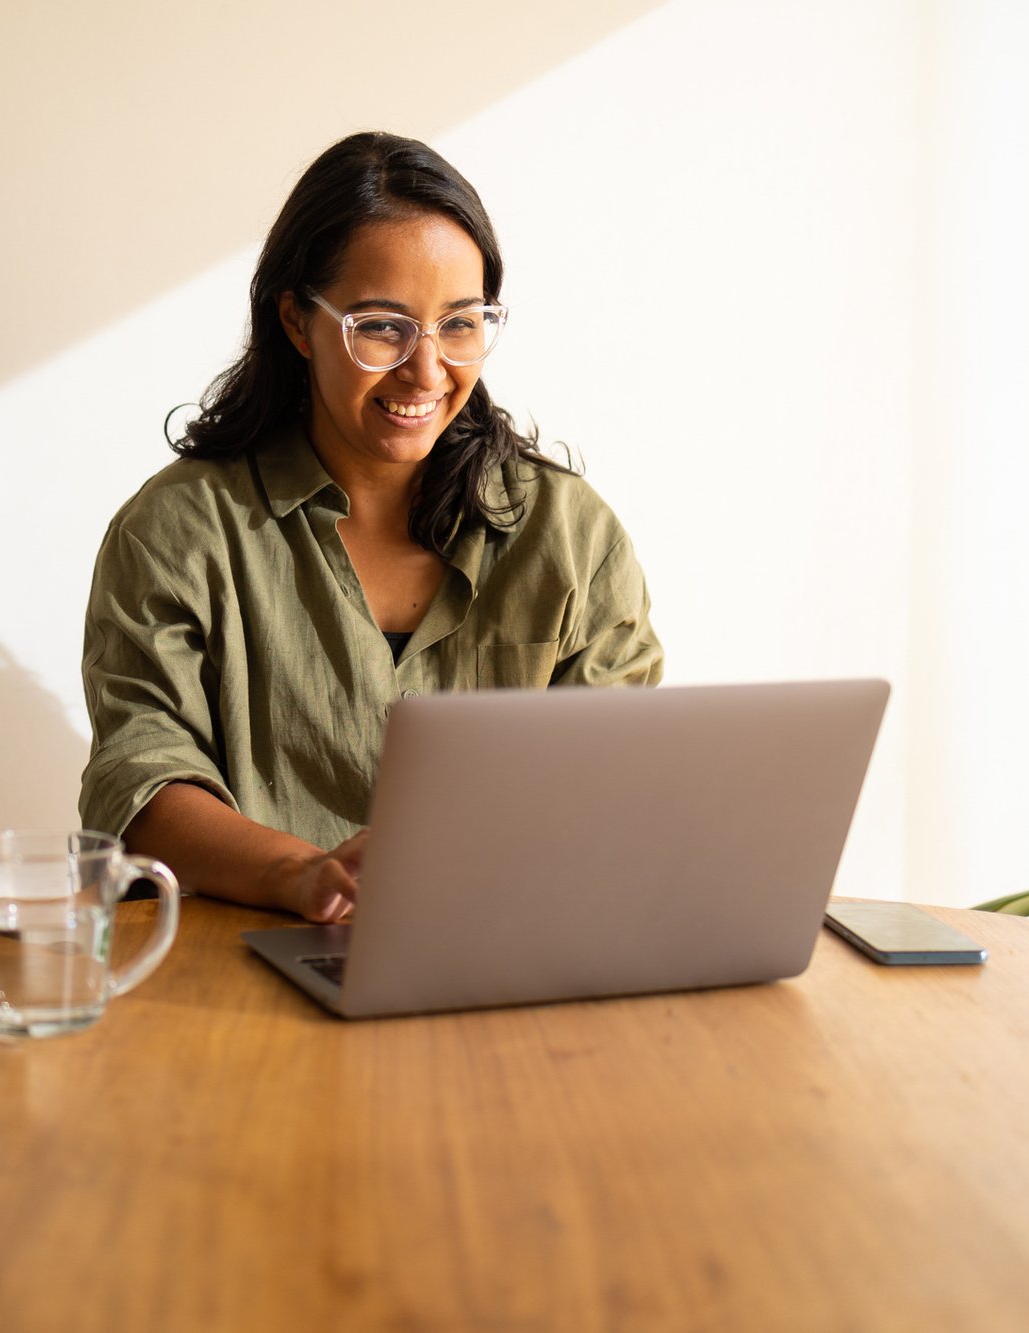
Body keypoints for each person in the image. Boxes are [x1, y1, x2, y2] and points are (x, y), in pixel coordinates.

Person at [79, 131, 662, 925]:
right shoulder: (179, 531)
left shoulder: (569, 535)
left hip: (506, 953)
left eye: (460, 325)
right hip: (241, 964)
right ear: (295, 319)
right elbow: (141, 777)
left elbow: (621, 780)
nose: (427, 371)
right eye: (383, 326)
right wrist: (303, 872)